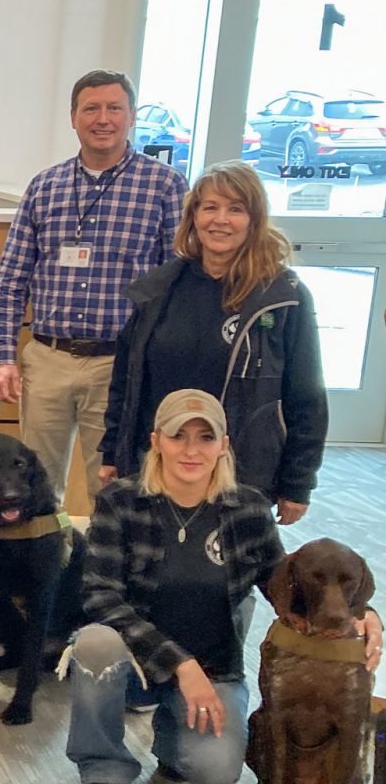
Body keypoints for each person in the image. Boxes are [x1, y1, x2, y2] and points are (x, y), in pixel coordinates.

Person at [65, 389, 380, 784]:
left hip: (214, 667)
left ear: (224, 446)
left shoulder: (248, 508)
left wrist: (365, 611)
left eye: (206, 438)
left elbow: (283, 582)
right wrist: (181, 664)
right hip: (138, 662)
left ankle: (173, 744)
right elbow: (100, 596)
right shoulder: (120, 501)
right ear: (156, 440)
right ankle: (104, 767)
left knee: (217, 769)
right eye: (178, 436)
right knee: (94, 644)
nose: (191, 450)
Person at [0, 70, 188, 511]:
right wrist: (4, 355)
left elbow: (179, 282)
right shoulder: (45, 186)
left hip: (117, 364)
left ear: (131, 116)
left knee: (114, 490)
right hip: (48, 360)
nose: (103, 118)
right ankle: (45, 573)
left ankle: (105, 578)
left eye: (114, 108)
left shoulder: (165, 186)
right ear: (73, 119)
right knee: (35, 489)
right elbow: (10, 279)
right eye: (91, 109)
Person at [99, 160, 327, 525]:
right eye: (210, 207)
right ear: (193, 217)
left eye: (235, 209)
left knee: (228, 578)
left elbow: (307, 398)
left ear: (254, 220)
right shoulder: (158, 290)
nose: (220, 219)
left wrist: (298, 484)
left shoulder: (284, 297)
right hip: (156, 468)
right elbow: (125, 382)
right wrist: (112, 451)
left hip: (242, 472)